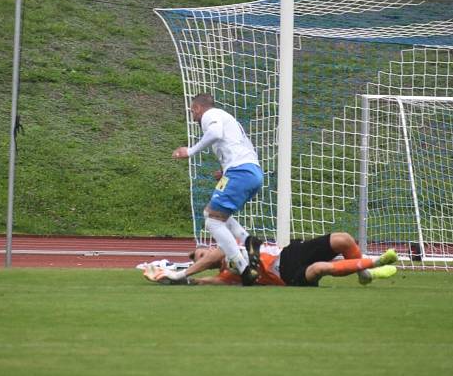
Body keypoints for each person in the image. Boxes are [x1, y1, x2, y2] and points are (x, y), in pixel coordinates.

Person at [171, 93, 264, 285]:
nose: (193, 117)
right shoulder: (227, 117)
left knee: (212, 221)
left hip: (240, 173)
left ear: (197, 108)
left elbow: (215, 134)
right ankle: (248, 242)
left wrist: (190, 151)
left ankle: (243, 268)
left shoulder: (209, 116)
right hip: (250, 172)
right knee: (215, 214)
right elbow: (240, 146)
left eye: (192, 112)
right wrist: (224, 170)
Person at [144, 232, 398, 287]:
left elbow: (217, 251)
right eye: (202, 257)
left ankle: (363, 273)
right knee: (321, 268)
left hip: (290, 253)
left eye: (203, 253)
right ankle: (372, 264)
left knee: (343, 239)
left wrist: (185, 269)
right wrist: (173, 278)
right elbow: (203, 281)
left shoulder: (231, 246)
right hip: (288, 278)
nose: (207, 256)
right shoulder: (226, 276)